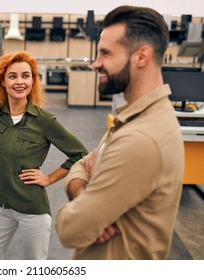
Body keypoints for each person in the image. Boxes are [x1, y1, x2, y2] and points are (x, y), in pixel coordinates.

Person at [55, 5, 184, 260]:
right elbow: (82, 164)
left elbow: (71, 230)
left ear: (141, 56)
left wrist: (78, 210)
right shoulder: (134, 117)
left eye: (105, 53)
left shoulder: (140, 138)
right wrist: (83, 191)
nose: (95, 64)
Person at [0, 50, 88, 259]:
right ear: (3, 81)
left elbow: (80, 154)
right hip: (2, 207)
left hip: (32, 210)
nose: (20, 82)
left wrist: (49, 178)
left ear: (33, 81)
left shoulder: (44, 121)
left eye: (26, 76)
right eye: (13, 76)